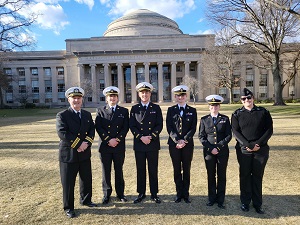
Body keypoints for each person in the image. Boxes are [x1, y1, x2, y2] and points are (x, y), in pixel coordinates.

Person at [56, 87, 97, 218]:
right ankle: (69, 207)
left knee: (86, 179)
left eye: (79, 98)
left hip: (84, 153)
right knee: (68, 183)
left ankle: (86, 200)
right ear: (69, 99)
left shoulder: (86, 114)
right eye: (74, 98)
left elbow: (91, 130)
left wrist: (86, 144)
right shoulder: (62, 115)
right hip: (69, 154)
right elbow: (62, 133)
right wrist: (79, 144)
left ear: (82, 99)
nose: (76, 100)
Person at [231, 88, 273, 214]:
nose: (247, 100)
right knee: (244, 176)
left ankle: (257, 203)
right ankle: (245, 202)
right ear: (241, 100)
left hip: (260, 150)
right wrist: (247, 144)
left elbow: (269, 130)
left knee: (257, 176)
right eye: (244, 99)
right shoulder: (236, 114)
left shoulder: (263, 112)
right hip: (244, 150)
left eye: (249, 98)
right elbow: (235, 131)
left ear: (253, 98)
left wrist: (258, 144)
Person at [129, 82, 163, 204]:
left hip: (152, 143)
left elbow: (159, 125)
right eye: (142, 92)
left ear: (150, 94)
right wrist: (141, 137)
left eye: (147, 92)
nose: (145, 94)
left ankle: (154, 194)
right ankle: (141, 193)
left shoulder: (156, 108)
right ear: (139, 94)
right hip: (139, 144)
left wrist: (151, 137)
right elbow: (132, 126)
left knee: (153, 169)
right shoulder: (134, 109)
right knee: (140, 169)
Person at [95, 86, 129, 204]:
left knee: (119, 170)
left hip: (119, 146)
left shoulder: (123, 111)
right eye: (110, 96)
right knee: (106, 171)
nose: (112, 98)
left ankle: (120, 194)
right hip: (105, 146)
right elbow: (99, 127)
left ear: (117, 98)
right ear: (106, 98)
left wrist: (117, 139)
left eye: (114, 96)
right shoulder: (100, 110)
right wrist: (108, 140)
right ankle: (106, 194)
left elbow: (125, 128)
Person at [198, 95, 232, 209]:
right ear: (209, 107)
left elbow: (228, 136)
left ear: (219, 106)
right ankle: (211, 198)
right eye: (212, 105)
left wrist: (218, 147)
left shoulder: (225, 119)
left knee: (221, 175)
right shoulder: (204, 119)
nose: (214, 107)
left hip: (222, 152)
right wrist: (210, 148)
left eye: (216, 105)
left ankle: (221, 199)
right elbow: (201, 136)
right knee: (211, 175)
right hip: (208, 152)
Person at [166, 85, 197, 203]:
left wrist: (184, 140)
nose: (181, 97)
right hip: (174, 145)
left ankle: (186, 193)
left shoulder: (192, 111)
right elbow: (169, 127)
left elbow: (193, 128)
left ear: (186, 96)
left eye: (183, 95)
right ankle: (178, 193)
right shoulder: (171, 110)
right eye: (178, 95)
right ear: (175, 97)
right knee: (177, 169)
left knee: (187, 169)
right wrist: (176, 140)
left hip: (187, 145)